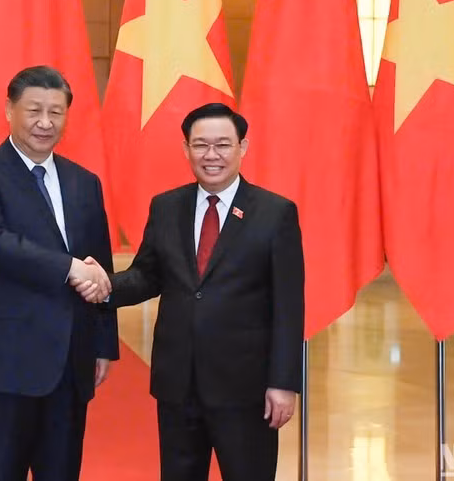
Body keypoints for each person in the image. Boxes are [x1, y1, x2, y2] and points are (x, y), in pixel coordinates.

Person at [76, 103, 305, 481]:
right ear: (186, 149)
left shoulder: (275, 212)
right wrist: (105, 285)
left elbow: (289, 305)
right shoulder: (167, 206)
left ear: (242, 148)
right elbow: (147, 276)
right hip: (177, 383)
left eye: (222, 145)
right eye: (200, 145)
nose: (211, 155)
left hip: (245, 388)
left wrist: (283, 383)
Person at [0, 65, 119, 481]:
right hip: (7, 360)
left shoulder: (85, 182)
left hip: (71, 360)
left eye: (56, 112)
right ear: (9, 110)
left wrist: (104, 343)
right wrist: (66, 268)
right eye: (33, 110)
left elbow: (99, 264)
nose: (45, 123)